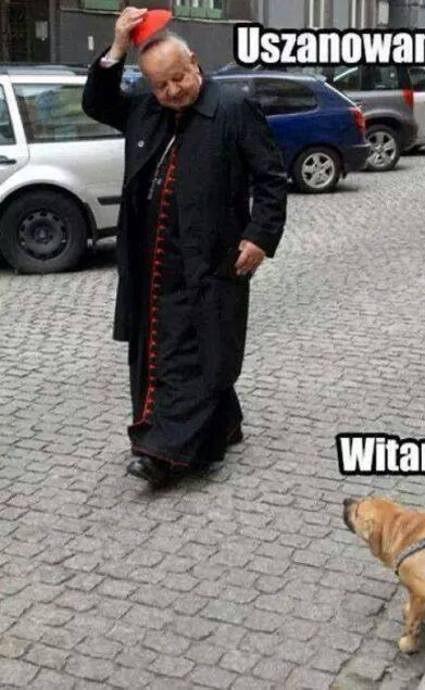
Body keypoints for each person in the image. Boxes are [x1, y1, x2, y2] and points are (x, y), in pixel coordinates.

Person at [82, 7, 287, 487]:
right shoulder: (145, 108)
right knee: (164, 350)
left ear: (194, 62)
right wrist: (117, 47)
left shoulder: (234, 109)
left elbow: (271, 178)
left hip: (211, 259)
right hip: (151, 263)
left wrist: (260, 236)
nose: (172, 91)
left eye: (178, 78)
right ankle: (223, 422)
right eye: (161, 86)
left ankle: (165, 453)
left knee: (192, 353)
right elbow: (97, 102)